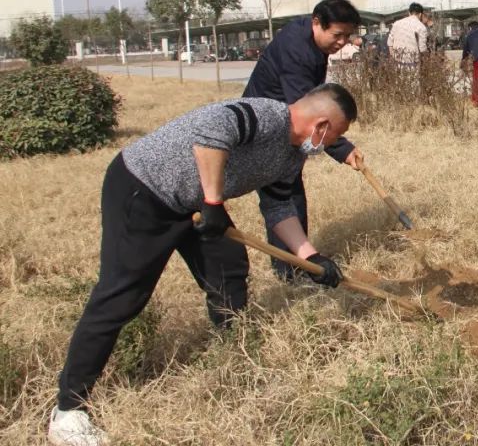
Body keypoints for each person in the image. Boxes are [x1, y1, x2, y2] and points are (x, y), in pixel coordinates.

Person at [48, 85, 356, 446]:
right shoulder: (267, 116)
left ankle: (232, 359)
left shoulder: (290, 157)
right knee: (122, 295)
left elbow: (278, 207)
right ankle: (68, 411)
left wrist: (310, 257)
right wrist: (213, 202)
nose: (330, 144)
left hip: (194, 204)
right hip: (144, 188)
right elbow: (211, 130)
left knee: (228, 271)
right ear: (321, 125)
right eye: (335, 135)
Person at [243, 0, 366, 280]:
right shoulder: (296, 50)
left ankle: (297, 264)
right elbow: (313, 114)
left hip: (287, 129)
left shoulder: (312, 41)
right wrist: (343, 149)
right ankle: (291, 271)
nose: (342, 42)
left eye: (347, 36)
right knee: (284, 200)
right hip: (266, 133)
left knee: (288, 196)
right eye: (337, 35)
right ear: (316, 23)